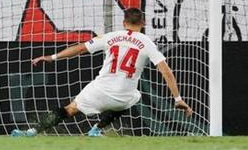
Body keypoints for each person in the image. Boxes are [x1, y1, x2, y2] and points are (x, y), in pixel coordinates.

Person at [13, 8, 193, 137]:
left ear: (124, 23)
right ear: (143, 23)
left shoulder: (111, 36)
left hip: (100, 89)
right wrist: (178, 99)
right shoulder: (147, 43)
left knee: (70, 109)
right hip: (123, 96)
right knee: (134, 96)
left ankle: (31, 132)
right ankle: (97, 129)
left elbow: (79, 49)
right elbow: (166, 72)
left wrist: (51, 57)